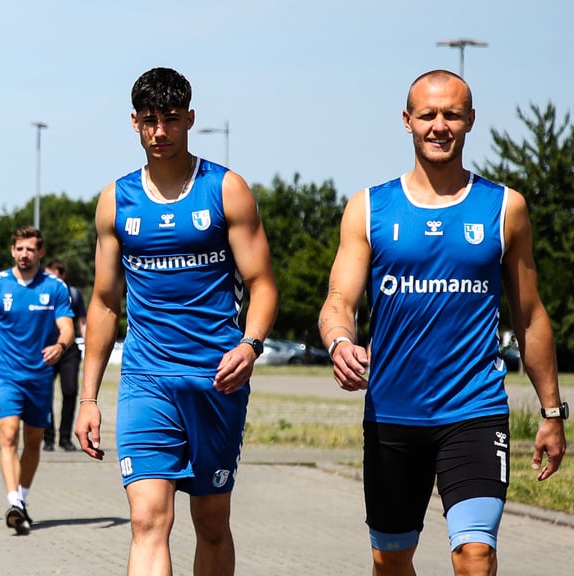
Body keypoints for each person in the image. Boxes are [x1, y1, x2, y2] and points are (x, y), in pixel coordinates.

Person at [318, 69, 567, 575]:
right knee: (390, 561)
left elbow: (530, 314)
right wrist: (340, 342)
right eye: (427, 114)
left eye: (451, 114)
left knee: (475, 556)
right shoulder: (368, 208)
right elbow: (338, 300)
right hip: (392, 414)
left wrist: (552, 411)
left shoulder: (504, 208)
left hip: (474, 411)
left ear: (470, 121)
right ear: (406, 121)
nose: (439, 125)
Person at [74, 67, 279, 574]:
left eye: (170, 119)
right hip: (148, 380)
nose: (159, 132)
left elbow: (263, 285)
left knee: (211, 523)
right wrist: (87, 398)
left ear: (189, 119)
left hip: (216, 380)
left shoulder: (226, 189)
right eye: (149, 121)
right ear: (135, 124)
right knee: (147, 520)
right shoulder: (115, 201)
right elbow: (103, 304)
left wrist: (250, 345)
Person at [0, 226, 75, 535]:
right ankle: (13, 501)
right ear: (12, 251)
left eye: (30, 249)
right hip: (6, 375)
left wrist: (61, 345)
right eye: (19, 249)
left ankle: (22, 500)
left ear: (40, 252)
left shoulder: (55, 288)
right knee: (8, 436)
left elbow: (67, 327)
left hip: (40, 378)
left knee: (33, 442)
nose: (24, 254)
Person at [42, 258, 87, 452]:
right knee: (45, 395)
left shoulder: (74, 294)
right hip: (45, 349)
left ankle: (65, 438)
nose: (53, 278)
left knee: (69, 392)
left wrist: (89, 346)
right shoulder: (40, 292)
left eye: (57, 274)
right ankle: (48, 438)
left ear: (63, 276)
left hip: (69, 351)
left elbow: (82, 323)